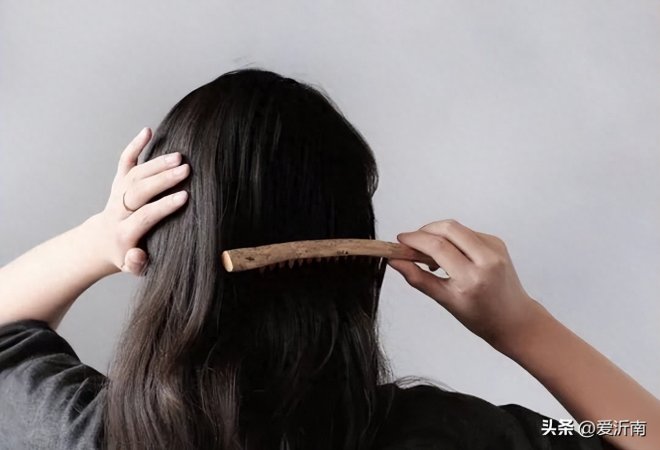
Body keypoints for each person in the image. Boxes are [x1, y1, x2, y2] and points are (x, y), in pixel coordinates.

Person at [0, 68, 656, 450]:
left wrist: (98, 238)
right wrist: (522, 325)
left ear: (166, 258)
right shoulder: (451, 436)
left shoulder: (87, 432)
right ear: (356, 261)